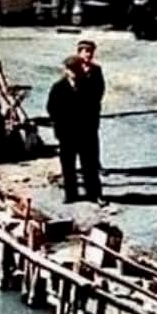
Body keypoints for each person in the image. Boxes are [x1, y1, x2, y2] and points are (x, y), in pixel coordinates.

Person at [46, 56, 105, 205]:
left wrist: (92, 125)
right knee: (68, 166)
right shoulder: (58, 87)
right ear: (66, 71)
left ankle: (94, 194)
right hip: (67, 134)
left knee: (90, 165)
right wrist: (60, 126)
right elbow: (52, 108)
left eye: (76, 69)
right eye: (70, 70)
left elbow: (95, 106)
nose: (73, 73)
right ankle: (71, 194)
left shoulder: (89, 85)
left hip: (86, 133)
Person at [75, 40, 105, 173]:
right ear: (79, 52)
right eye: (86, 51)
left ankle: (95, 163)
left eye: (91, 52)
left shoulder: (96, 69)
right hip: (76, 110)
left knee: (92, 137)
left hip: (91, 109)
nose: (89, 54)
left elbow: (100, 88)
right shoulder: (72, 68)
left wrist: (93, 102)